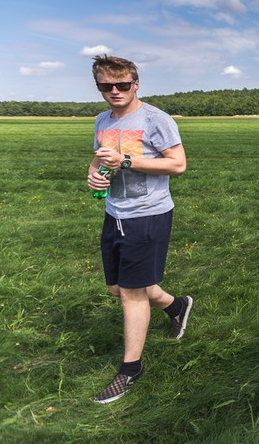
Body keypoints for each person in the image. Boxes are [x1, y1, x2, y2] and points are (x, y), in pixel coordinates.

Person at [87, 55, 192, 404]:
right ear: (99, 86)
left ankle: (130, 369)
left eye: (122, 85)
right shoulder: (102, 120)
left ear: (136, 84)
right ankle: (177, 307)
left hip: (147, 214)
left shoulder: (155, 119)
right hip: (114, 212)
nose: (115, 91)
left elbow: (178, 164)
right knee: (120, 288)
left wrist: (128, 161)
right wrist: (93, 173)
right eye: (106, 86)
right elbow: (100, 157)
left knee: (132, 293)